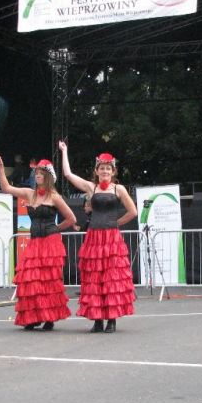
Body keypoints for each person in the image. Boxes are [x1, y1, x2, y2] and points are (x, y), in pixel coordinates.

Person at [59, 141, 137, 333]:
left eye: (108, 169)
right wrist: (64, 151)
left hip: (111, 239)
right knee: (94, 278)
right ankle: (97, 319)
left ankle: (111, 319)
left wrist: (115, 223)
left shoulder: (119, 189)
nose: (105, 172)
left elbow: (133, 212)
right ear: (97, 170)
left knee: (110, 279)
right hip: (94, 238)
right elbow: (68, 175)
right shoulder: (91, 188)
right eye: (102, 168)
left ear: (113, 171)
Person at [0, 152, 76, 330]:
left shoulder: (54, 197)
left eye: (41, 174)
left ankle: (49, 317)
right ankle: (33, 316)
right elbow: (7, 188)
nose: (37, 176)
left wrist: (56, 229)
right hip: (35, 242)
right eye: (36, 173)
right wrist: (0, 167)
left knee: (48, 280)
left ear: (48, 177)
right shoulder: (29, 194)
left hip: (50, 242)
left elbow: (71, 218)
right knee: (31, 279)